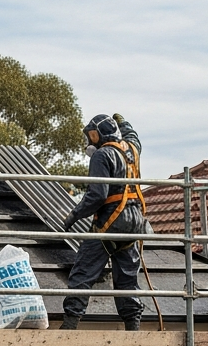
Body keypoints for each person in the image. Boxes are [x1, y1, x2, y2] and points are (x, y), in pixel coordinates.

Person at [61, 114, 146, 331]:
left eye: (92, 135)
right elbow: (133, 136)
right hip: (135, 223)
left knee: (84, 269)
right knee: (127, 278)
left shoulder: (101, 155)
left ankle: (69, 325)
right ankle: (133, 329)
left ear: (100, 134)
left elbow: (97, 195)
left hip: (112, 220)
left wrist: (74, 215)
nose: (91, 140)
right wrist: (124, 121)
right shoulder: (132, 151)